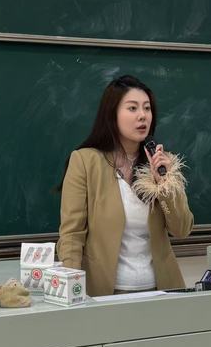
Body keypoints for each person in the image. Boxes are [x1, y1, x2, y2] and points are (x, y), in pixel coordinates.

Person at [56, 75, 194, 296]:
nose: (142, 115)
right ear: (112, 114)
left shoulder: (161, 163)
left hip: (161, 291)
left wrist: (165, 183)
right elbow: (72, 235)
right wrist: (70, 289)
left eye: (147, 108)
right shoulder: (86, 161)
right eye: (132, 108)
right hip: (105, 293)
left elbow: (182, 229)